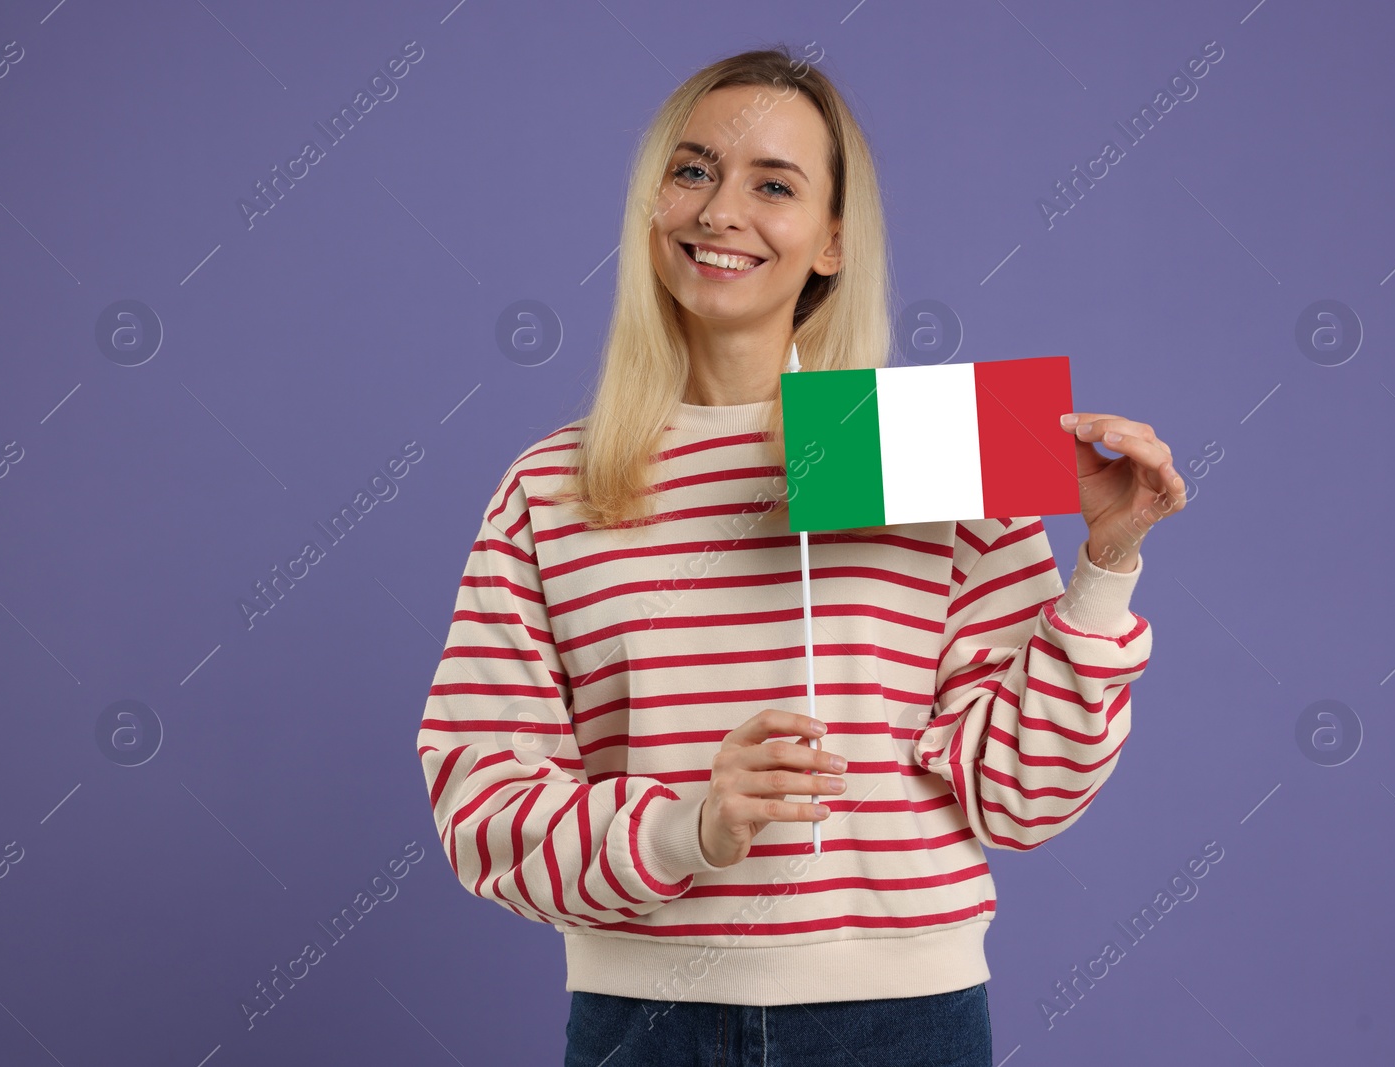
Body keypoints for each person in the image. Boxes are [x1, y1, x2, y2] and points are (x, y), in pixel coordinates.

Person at [415, 44, 1184, 1067]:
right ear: (652, 204)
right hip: (643, 1022)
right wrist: (688, 827)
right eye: (692, 170)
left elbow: (1022, 793)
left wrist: (1105, 564)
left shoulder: (934, 449)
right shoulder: (552, 485)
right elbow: (483, 796)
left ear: (831, 238)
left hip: (900, 1017)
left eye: (771, 183)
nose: (720, 210)